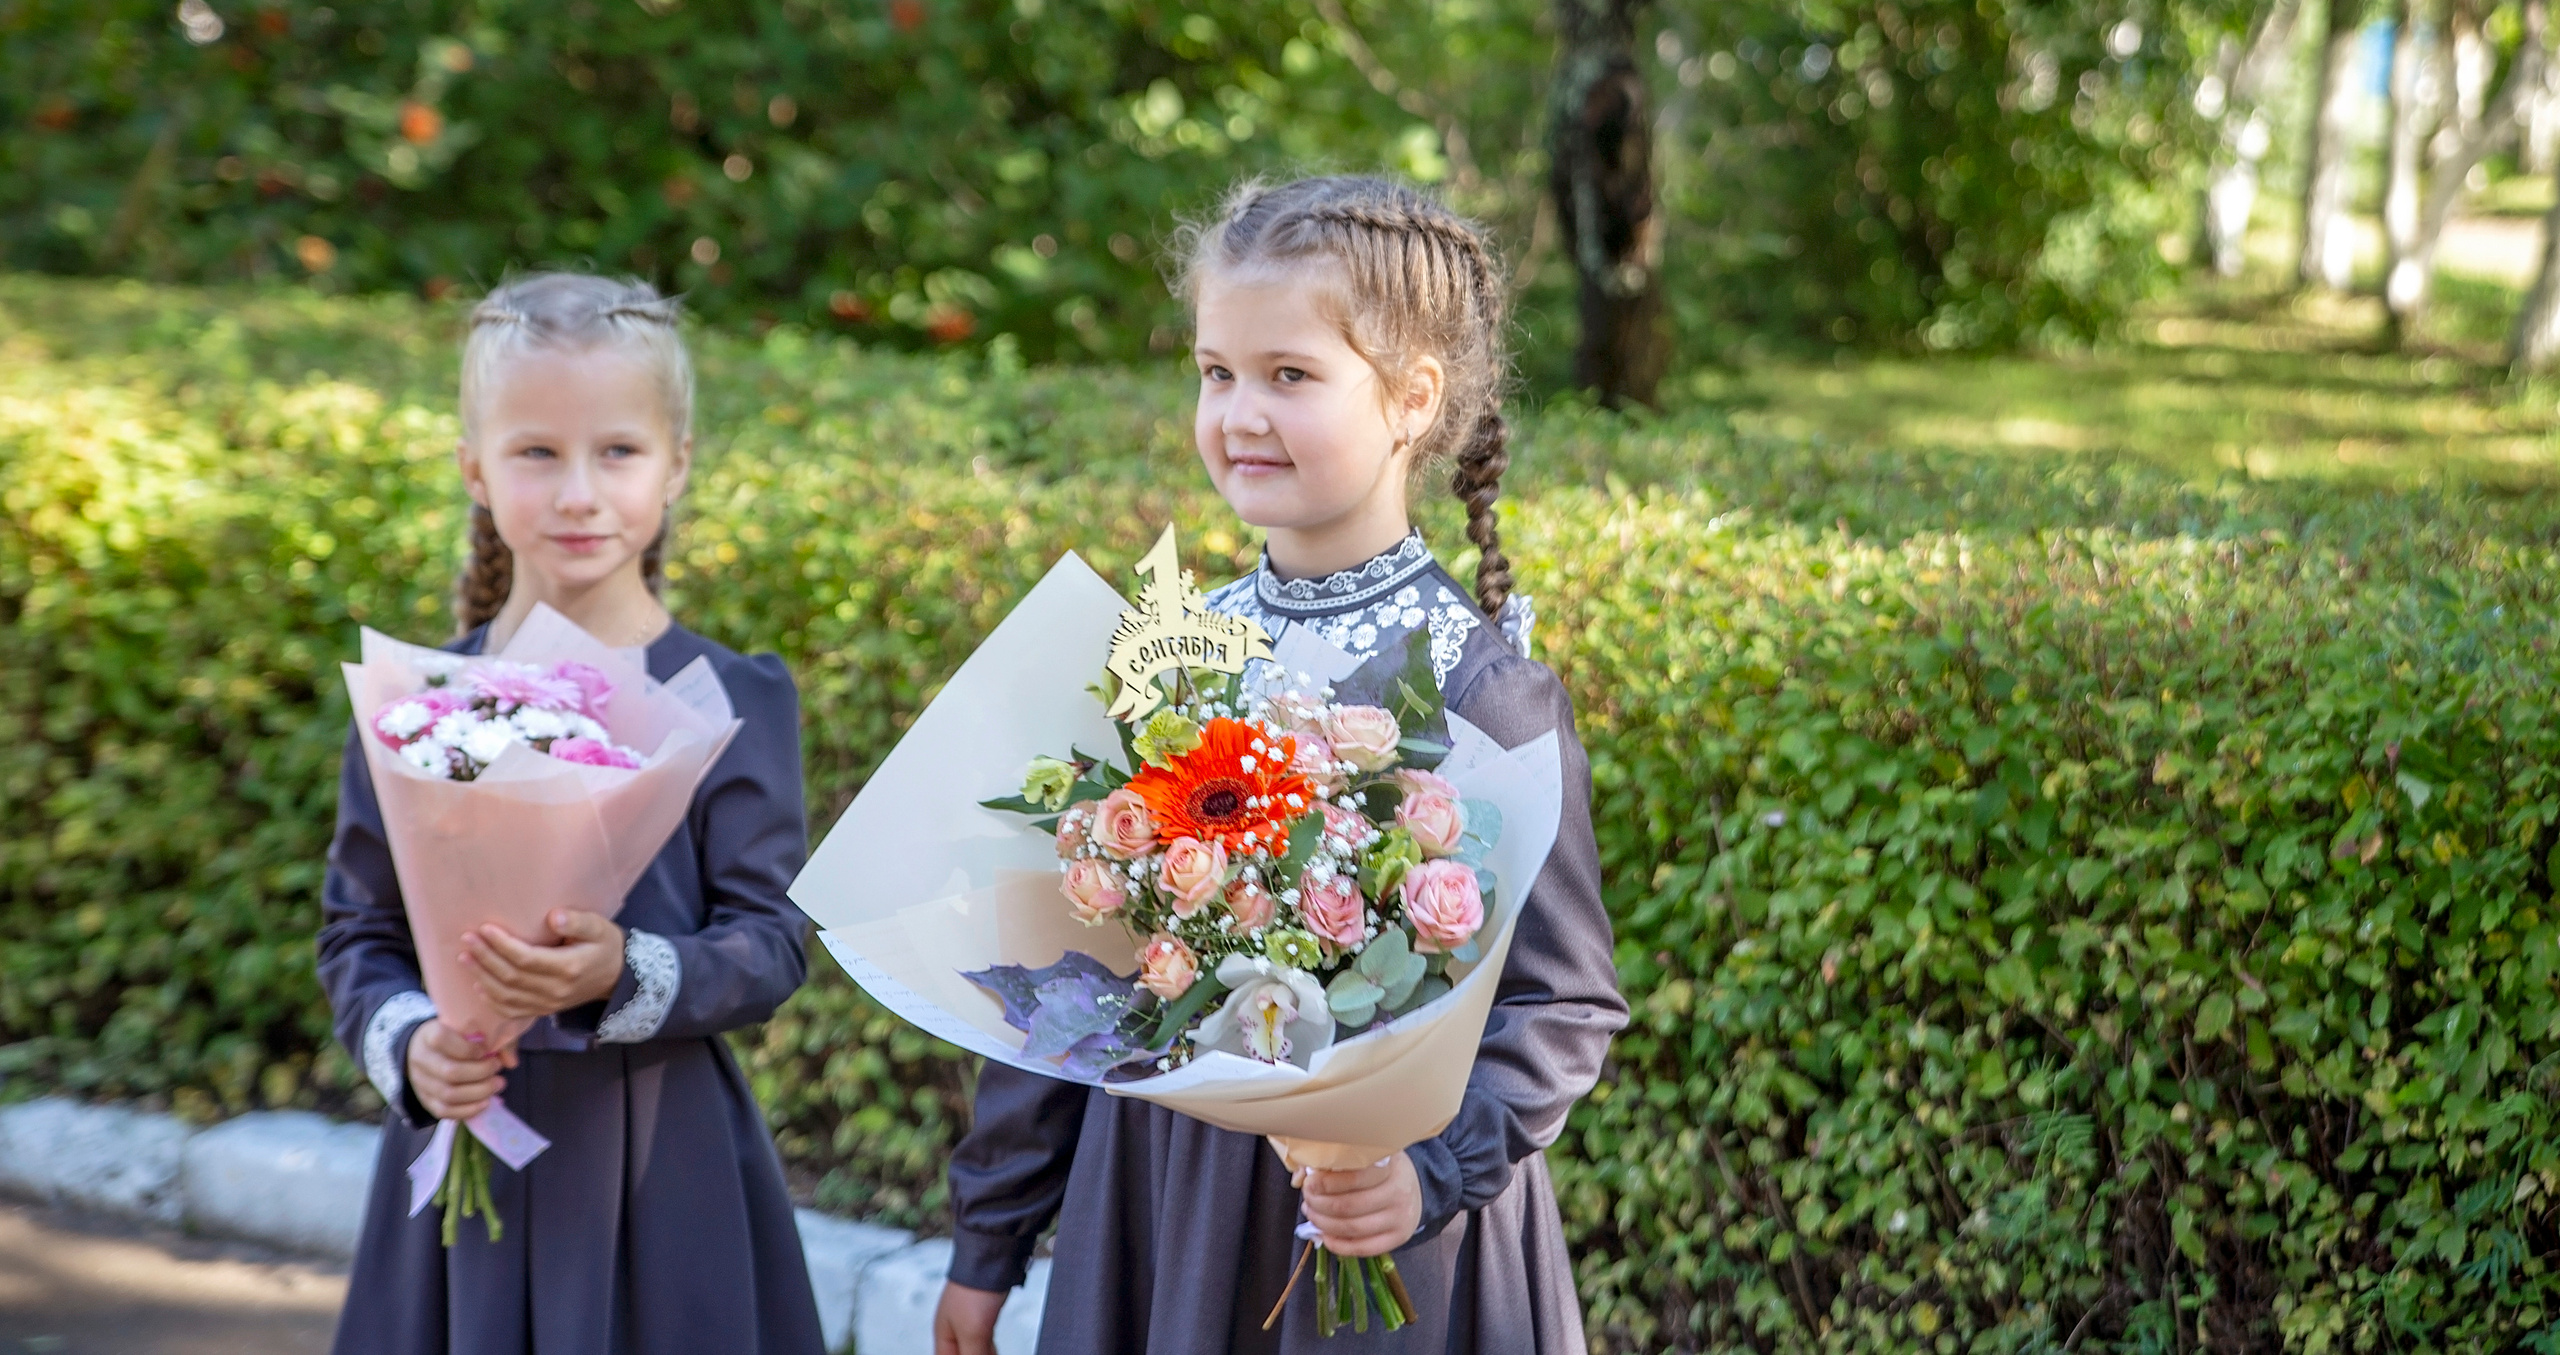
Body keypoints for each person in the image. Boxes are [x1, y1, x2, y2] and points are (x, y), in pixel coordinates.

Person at [935, 177, 1629, 1352]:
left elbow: (1561, 1001)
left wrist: (1432, 1169)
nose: (1239, 414)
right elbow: (1071, 968)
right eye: (1217, 373)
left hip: (1384, 1219)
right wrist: (988, 1240)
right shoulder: (1162, 661)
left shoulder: (1480, 688)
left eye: (1289, 375)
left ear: (1412, 398)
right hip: (1166, 1199)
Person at [317, 273, 825, 1355]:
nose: (579, 493)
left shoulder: (731, 697)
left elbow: (773, 942)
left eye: (619, 451)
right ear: (474, 468)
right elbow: (357, 931)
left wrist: (622, 970)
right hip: (464, 1141)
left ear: (678, 462)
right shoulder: (413, 700)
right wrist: (412, 1046)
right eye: (536, 453)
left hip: (659, 1165)